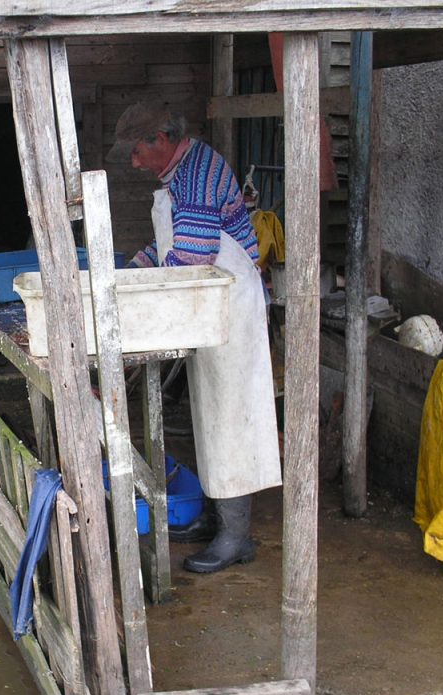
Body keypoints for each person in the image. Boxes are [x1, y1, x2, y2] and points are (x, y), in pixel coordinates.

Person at [107, 101, 282, 574]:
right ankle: (214, 517)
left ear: (162, 139)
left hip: (232, 310)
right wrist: (125, 272)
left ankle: (236, 536)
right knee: (207, 414)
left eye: (138, 151)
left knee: (231, 420)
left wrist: (139, 303)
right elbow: (166, 249)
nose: (133, 162)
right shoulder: (178, 175)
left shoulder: (199, 175)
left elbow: (189, 258)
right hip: (209, 308)